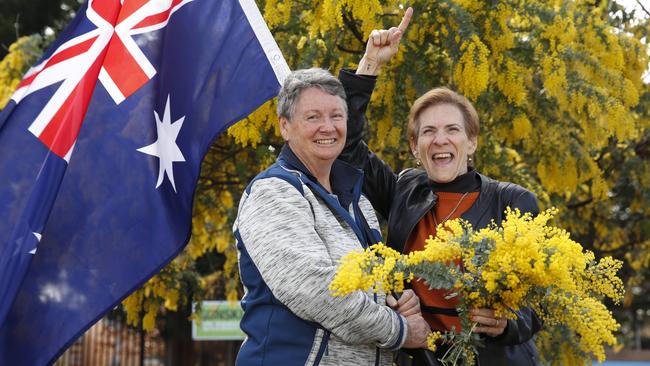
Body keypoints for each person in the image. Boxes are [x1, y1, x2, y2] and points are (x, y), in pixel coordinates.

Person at [338, 7, 543, 366]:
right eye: (428, 132)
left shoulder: (512, 201)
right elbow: (348, 146)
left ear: (472, 141)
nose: (439, 140)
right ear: (415, 148)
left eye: (452, 130)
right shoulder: (404, 190)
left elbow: (542, 299)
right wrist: (370, 64)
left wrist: (508, 323)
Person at [233, 66, 431, 366]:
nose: (328, 127)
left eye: (336, 116)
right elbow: (317, 291)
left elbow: (367, 289)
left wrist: (398, 300)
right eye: (313, 117)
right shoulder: (273, 193)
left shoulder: (359, 201)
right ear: (284, 126)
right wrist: (401, 330)